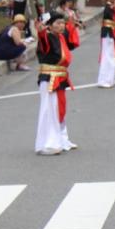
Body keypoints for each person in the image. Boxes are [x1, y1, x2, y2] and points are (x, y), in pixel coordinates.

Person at [35, 11, 78, 156]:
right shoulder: (46, 37)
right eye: (57, 23)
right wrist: (41, 32)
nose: (61, 26)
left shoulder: (60, 37)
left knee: (59, 109)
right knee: (49, 110)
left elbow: (72, 43)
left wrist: (71, 23)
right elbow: (43, 42)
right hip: (49, 78)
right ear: (49, 26)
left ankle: (61, 139)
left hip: (60, 77)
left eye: (62, 23)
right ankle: (47, 143)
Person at [97, 0, 115, 88]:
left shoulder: (113, 5)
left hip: (113, 31)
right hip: (108, 32)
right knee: (108, 56)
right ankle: (103, 80)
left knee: (113, 55)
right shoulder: (107, 7)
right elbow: (109, 14)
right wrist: (114, 7)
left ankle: (111, 78)